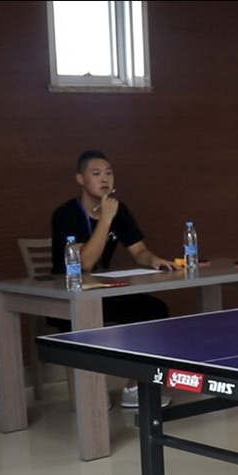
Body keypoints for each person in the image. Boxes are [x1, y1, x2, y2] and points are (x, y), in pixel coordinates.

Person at [50, 149, 176, 407]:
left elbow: (139, 251)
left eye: (109, 173)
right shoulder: (65, 214)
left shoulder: (119, 209)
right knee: (88, 321)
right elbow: (84, 263)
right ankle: (92, 396)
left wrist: (154, 260)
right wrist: (106, 219)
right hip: (67, 299)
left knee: (154, 310)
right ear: (80, 179)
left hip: (101, 293)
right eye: (96, 173)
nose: (105, 178)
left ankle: (134, 388)